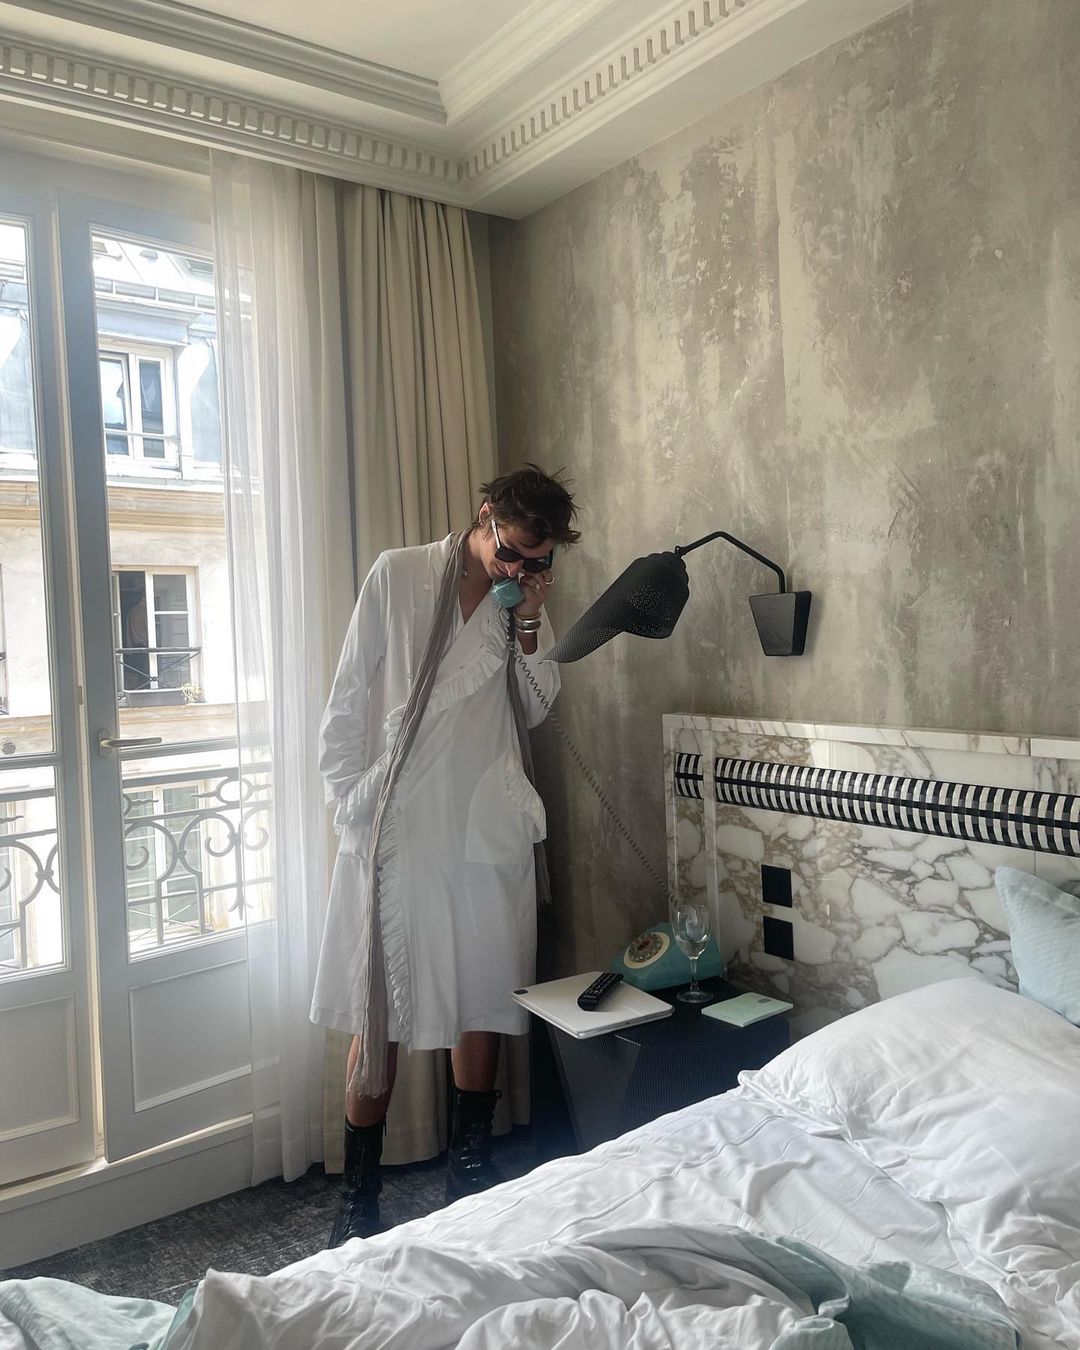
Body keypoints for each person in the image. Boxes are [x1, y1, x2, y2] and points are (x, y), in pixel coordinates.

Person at [311, 465, 580, 1247]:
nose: (519, 568)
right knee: (379, 1004)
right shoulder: (398, 575)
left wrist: (530, 621)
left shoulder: (517, 604)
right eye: (512, 551)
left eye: (538, 561)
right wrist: (347, 800)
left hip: (479, 818)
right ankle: (359, 1193)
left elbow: (533, 708)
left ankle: (469, 1168)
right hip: (398, 818)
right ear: (485, 517)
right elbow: (348, 694)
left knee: (480, 992)